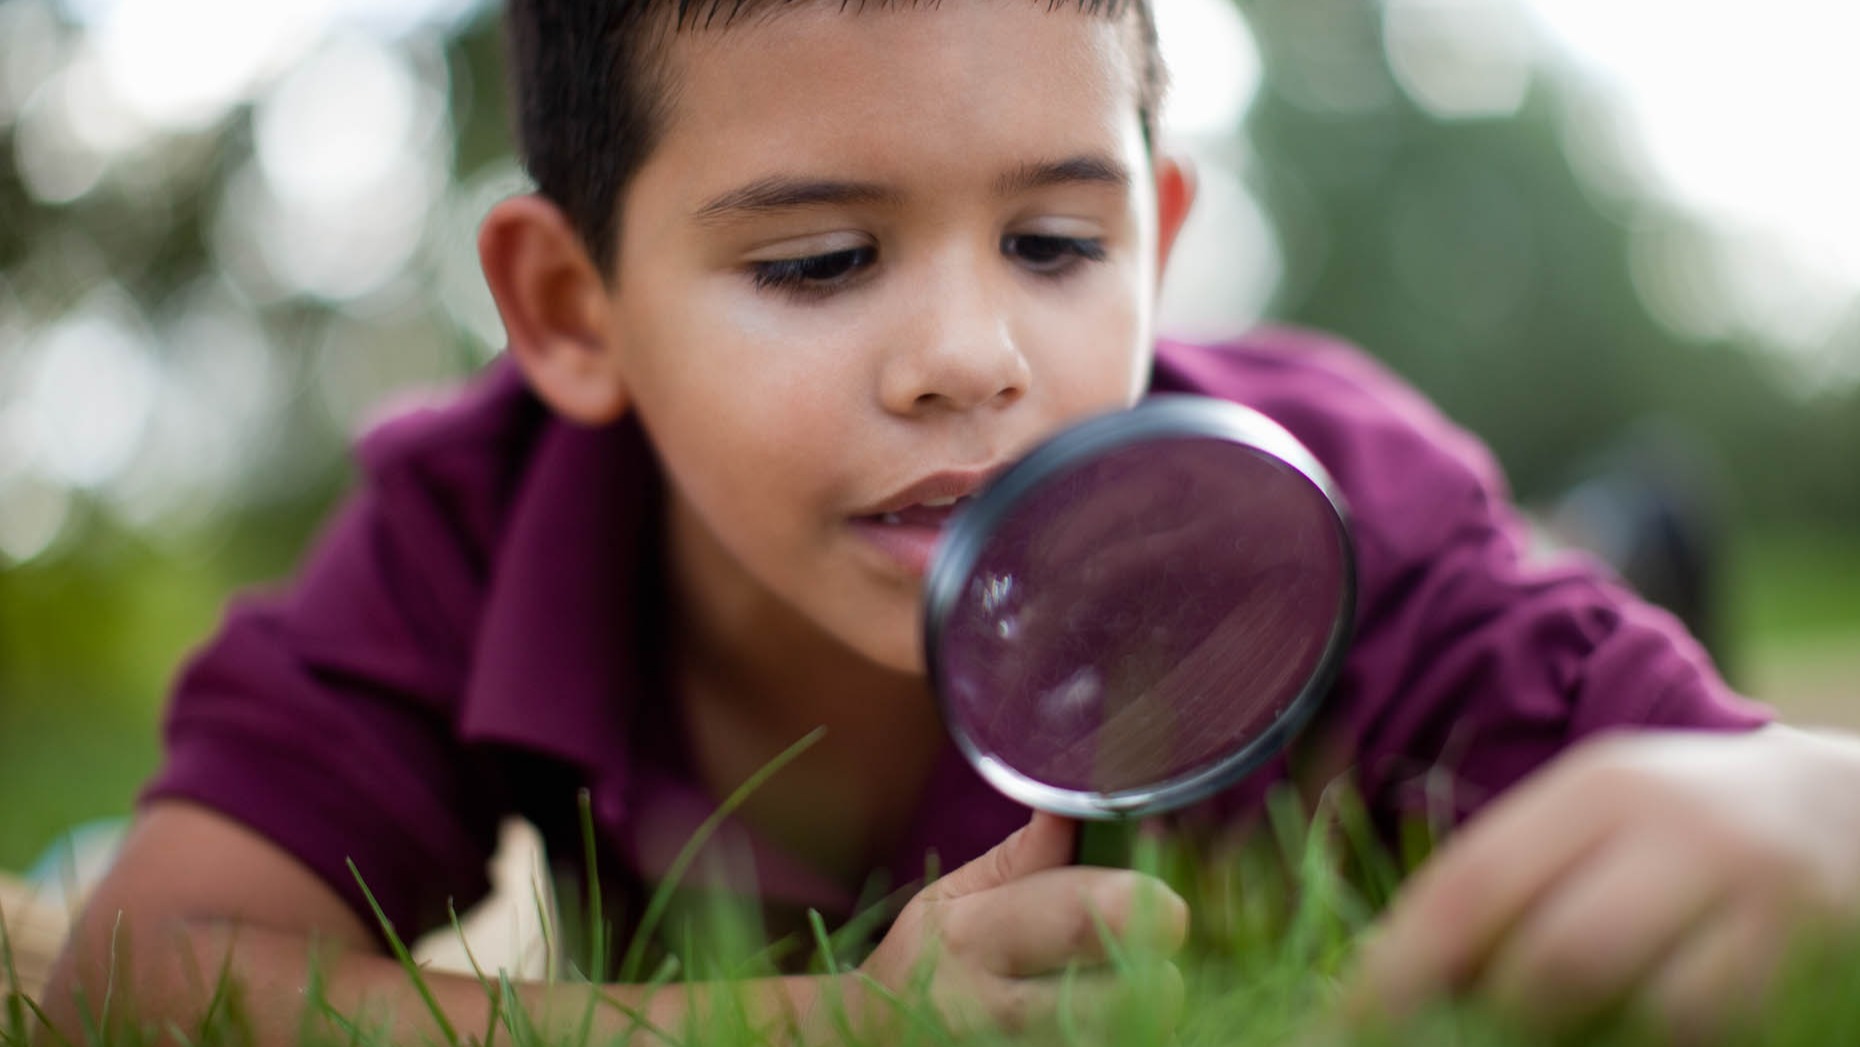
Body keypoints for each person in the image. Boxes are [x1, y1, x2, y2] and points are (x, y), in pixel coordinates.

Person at [40, 1, 1860, 1043]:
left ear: (1155, 229)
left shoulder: (1334, 507)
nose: (973, 359)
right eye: (823, 260)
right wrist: (780, 1027)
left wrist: (1812, 799)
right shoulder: (476, 522)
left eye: (1059, 246)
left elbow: (1780, 810)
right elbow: (138, 970)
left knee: (1557, 595)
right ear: (575, 309)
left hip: (1450, 560)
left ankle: (1612, 536)